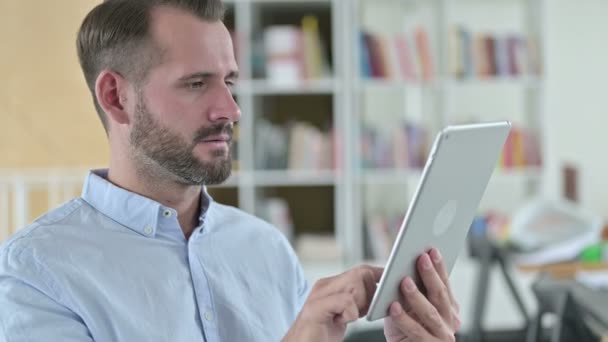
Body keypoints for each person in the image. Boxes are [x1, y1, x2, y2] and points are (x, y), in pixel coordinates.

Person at [0, 0, 460, 341]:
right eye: (196, 84)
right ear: (116, 97)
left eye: (230, 82)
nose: (231, 109)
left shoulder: (267, 250)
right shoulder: (36, 274)